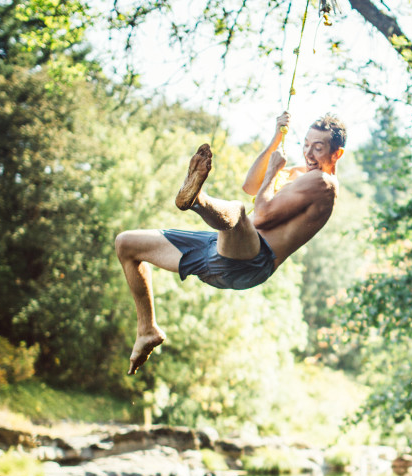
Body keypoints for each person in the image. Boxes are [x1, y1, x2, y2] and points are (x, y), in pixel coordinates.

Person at [115, 111, 345, 374]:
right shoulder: (303, 173)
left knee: (237, 213)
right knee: (126, 244)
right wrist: (275, 139)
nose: (309, 153)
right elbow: (250, 186)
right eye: (305, 144)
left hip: (253, 259)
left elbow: (265, 211)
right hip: (223, 251)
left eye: (318, 148)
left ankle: (197, 199)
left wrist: (273, 170)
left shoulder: (323, 183)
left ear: (337, 154)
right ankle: (147, 329)